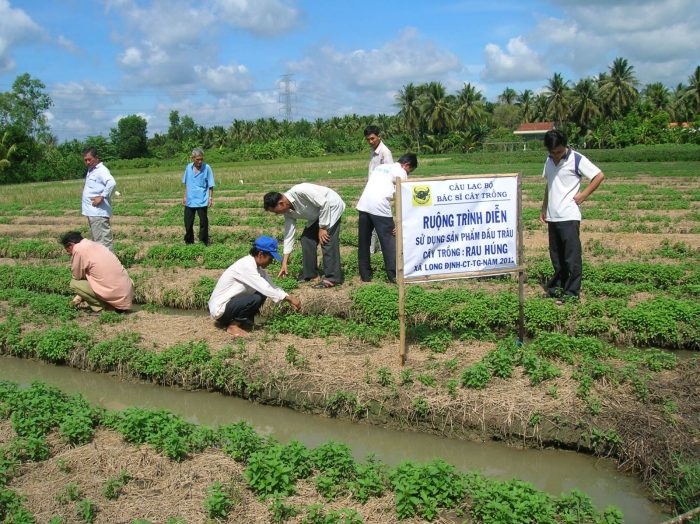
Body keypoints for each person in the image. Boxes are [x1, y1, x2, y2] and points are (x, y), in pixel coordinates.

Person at [539, 129, 604, 303]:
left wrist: (583, 195)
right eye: (552, 152)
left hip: (569, 216)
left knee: (571, 257)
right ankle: (556, 288)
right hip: (553, 216)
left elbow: (599, 175)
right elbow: (549, 185)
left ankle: (571, 293)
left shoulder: (576, 159)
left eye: (559, 152)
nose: (556, 155)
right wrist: (544, 208)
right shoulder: (548, 160)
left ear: (565, 146)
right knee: (556, 257)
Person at [208, 236, 301, 337]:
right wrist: (290, 299)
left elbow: (271, 286)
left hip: (231, 305)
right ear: (261, 254)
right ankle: (233, 326)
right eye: (270, 258)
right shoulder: (246, 266)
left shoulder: (258, 269)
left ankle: (244, 321)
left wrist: (288, 297)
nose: (271, 262)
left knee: (261, 294)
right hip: (220, 309)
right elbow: (265, 288)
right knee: (257, 297)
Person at [263, 183, 345, 289]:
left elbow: (324, 203)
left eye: (276, 212)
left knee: (326, 240)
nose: (277, 214)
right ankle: (311, 274)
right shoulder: (287, 211)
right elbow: (289, 234)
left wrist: (323, 228)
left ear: (281, 203)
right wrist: (284, 262)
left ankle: (332, 278)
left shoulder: (301, 191)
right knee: (306, 239)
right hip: (317, 213)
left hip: (331, 206)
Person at [357, 153, 417, 283]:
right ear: (406, 165)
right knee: (389, 241)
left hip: (364, 204)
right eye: (410, 171)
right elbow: (402, 197)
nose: (408, 173)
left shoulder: (381, 167)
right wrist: (400, 223)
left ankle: (365, 275)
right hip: (379, 206)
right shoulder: (401, 172)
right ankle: (394, 275)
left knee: (364, 241)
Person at [60, 231, 134, 313]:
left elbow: (77, 276)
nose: (69, 253)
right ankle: (115, 304)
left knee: (74, 283)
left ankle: (102, 308)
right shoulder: (96, 245)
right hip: (126, 294)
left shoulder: (78, 249)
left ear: (71, 245)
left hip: (115, 294)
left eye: (68, 250)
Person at [364, 125, 393, 254]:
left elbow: (389, 173)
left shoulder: (385, 152)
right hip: (372, 190)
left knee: (380, 221)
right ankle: (374, 249)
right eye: (368, 139)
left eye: (372, 138)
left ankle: (382, 249)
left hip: (380, 192)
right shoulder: (374, 150)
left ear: (379, 137)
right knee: (373, 220)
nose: (370, 141)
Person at [82, 147, 116, 252]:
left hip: (98, 213)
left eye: (89, 159)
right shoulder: (91, 170)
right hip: (92, 212)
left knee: (103, 242)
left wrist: (102, 196)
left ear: (96, 158)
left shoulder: (101, 170)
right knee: (98, 241)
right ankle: (102, 261)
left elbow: (111, 183)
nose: (87, 162)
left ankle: (110, 261)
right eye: (85, 160)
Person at [182, 147, 215, 245]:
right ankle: (189, 243)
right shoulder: (188, 167)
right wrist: (184, 196)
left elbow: (211, 185)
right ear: (193, 158)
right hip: (190, 200)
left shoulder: (207, 168)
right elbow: (187, 183)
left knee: (203, 223)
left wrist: (210, 198)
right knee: (188, 223)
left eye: (201, 159)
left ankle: (203, 243)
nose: (200, 161)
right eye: (197, 159)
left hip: (202, 199)